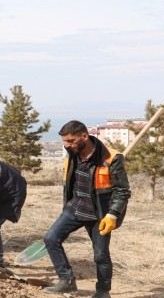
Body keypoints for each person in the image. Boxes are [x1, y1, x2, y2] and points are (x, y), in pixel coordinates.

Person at [42, 121, 131, 298]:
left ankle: (103, 291)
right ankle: (66, 281)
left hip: (100, 213)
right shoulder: (73, 152)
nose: (66, 145)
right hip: (75, 207)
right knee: (51, 238)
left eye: (70, 140)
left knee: (100, 255)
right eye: (64, 141)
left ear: (84, 136)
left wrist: (112, 215)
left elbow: (122, 191)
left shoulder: (112, 158)